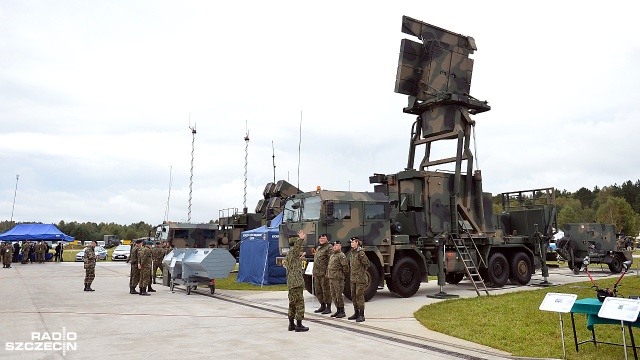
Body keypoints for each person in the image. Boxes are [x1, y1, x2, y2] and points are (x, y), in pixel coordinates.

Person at [284, 229, 309, 332]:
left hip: (291, 283)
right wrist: (301, 239)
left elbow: (291, 265)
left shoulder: (289, 254)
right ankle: (299, 325)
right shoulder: (294, 251)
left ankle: (291, 324)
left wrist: (300, 258)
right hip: (296, 283)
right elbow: (297, 247)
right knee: (299, 303)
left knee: (292, 303)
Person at [348, 236, 369, 322]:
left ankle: (361, 314)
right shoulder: (352, 253)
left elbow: (367, 264)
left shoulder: (361, 253)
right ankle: (356, 312)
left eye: (353, 242)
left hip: (360, 279)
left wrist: (361, 272)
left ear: (357, 243)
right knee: (353, 296)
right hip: (353, 278)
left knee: (359, 296)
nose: (352, 244)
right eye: (351, 242)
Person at [312, 233, 333, 314]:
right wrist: (314, 271)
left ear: (326, 239)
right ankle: (322, 305)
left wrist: (328, 272)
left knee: (326, 290)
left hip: (324, 274)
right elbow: (316, 261)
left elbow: (330, 261)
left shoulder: (329, 248)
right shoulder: (319, 248)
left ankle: (328, 307)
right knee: (318, 290)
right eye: (320, 238)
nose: (322, 239)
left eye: (323, 238)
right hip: (317, 273)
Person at [327, 240, 348, 318]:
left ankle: (342, 311)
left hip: (338, 278)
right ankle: (338, 309)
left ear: (340, 246)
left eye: (337, 245)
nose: (335, 247)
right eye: (334, 245)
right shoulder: (332, 255)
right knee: (333, 294)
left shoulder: (341, 255)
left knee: (338, 294)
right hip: (331, 277)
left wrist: (341, 274)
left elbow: (345, 267)